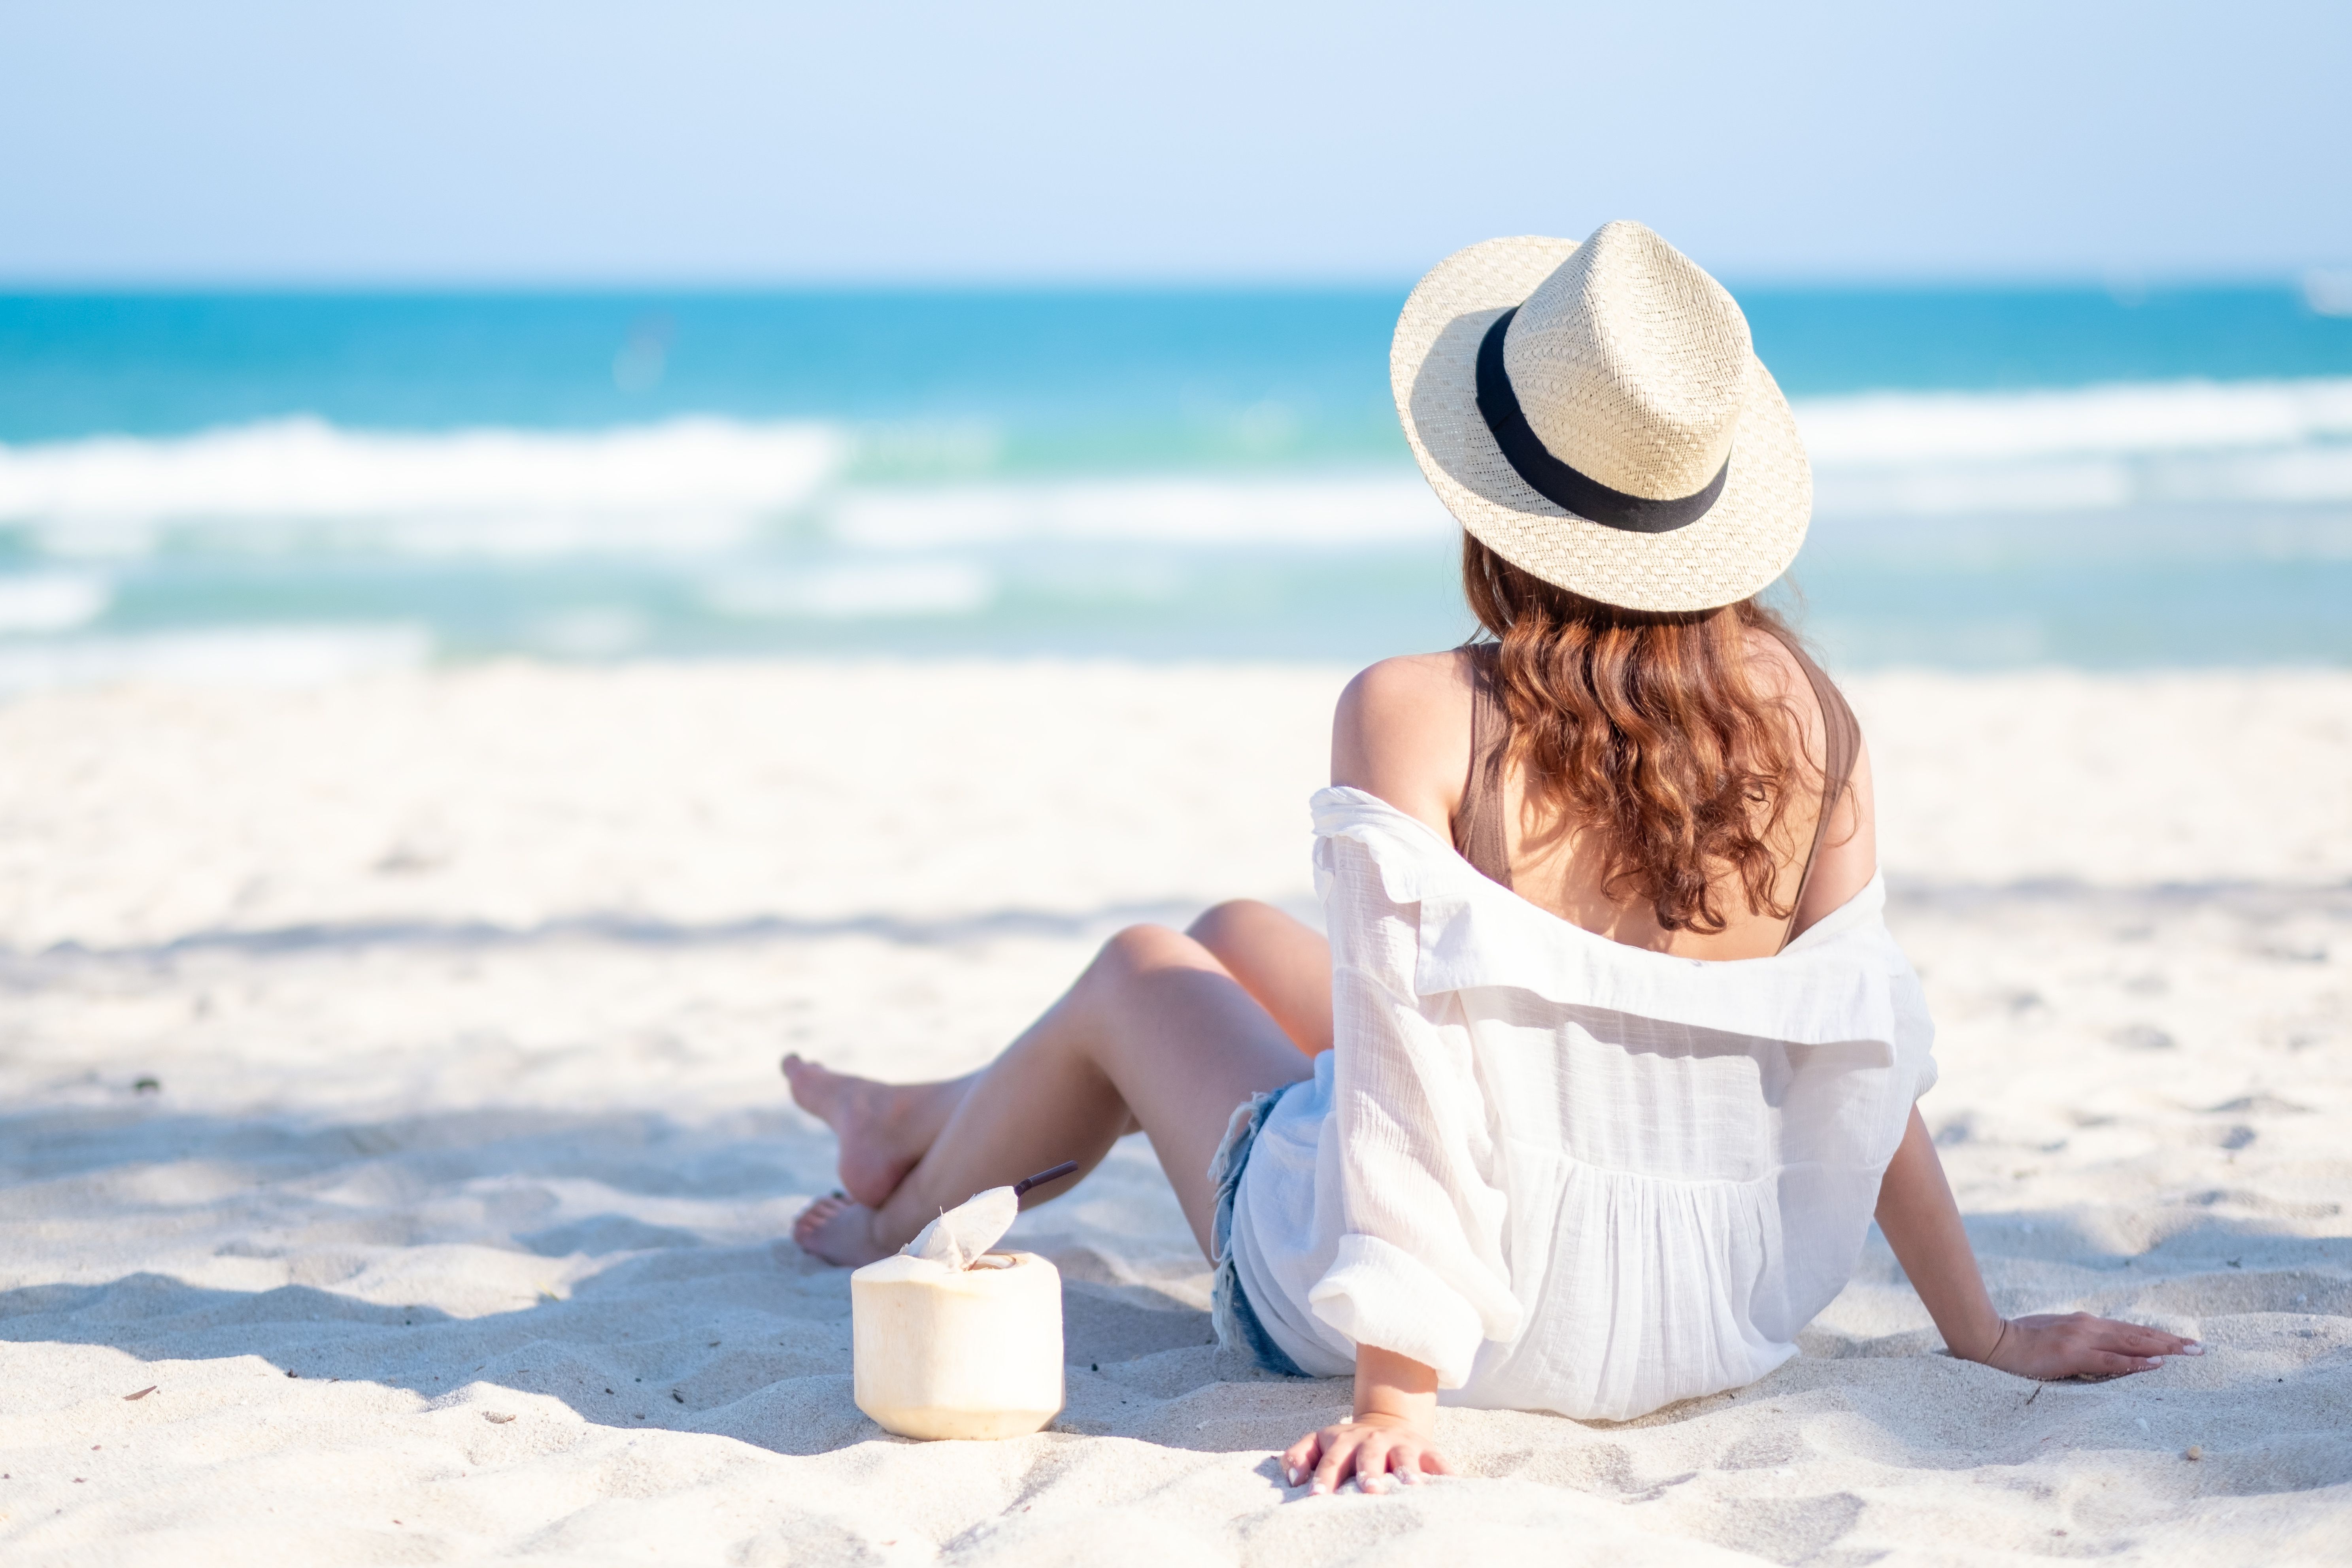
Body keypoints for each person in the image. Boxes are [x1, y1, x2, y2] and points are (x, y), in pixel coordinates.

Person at [783, 221, 2198, 1493]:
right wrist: (1983, 1328)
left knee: (1140, 971)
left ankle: (894, 1212)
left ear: (1487, 498)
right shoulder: (1814, 720)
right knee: (1235, 927)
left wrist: (1394, 1386)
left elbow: (1402, 1066)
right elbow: (1857, 1051)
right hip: (1708, 1312)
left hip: (1466, 1319)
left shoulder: (1412, 708)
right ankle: (917, 1114)